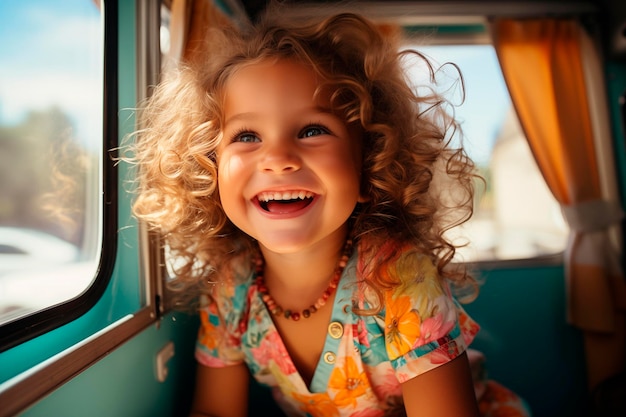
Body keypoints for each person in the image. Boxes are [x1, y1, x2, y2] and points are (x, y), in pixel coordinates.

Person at [129, 8, 485, 417]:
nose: (278, 158)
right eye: (246, 136)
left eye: (312, 130)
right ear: (209, 172)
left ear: (369, 165)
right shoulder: (231, 289)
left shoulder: (399, 278)